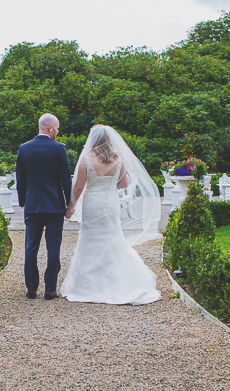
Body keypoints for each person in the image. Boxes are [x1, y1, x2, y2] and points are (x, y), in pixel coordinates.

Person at [61, 125, 162, 305]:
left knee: (91, 238)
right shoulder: (117, 158)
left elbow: (78, 187)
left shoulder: (87, 159)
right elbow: (123, 184)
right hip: (111, 204)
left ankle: (88, 285)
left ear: (92, 140)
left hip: (93, 202)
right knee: (113, 237)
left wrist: (71, 207)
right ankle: (119, 282)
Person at [16, 114, 72, 300]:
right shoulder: (58, 149)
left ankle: (31, 288)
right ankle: (50, 289)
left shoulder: (24, 149)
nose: (58, 131)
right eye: (57, 128)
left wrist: (23, 201)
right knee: (53, 247)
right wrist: (69, 204)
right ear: (50, 128)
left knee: (31, 246)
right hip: (54, 206)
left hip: (33, 206)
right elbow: (66, 179)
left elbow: (20, 179)